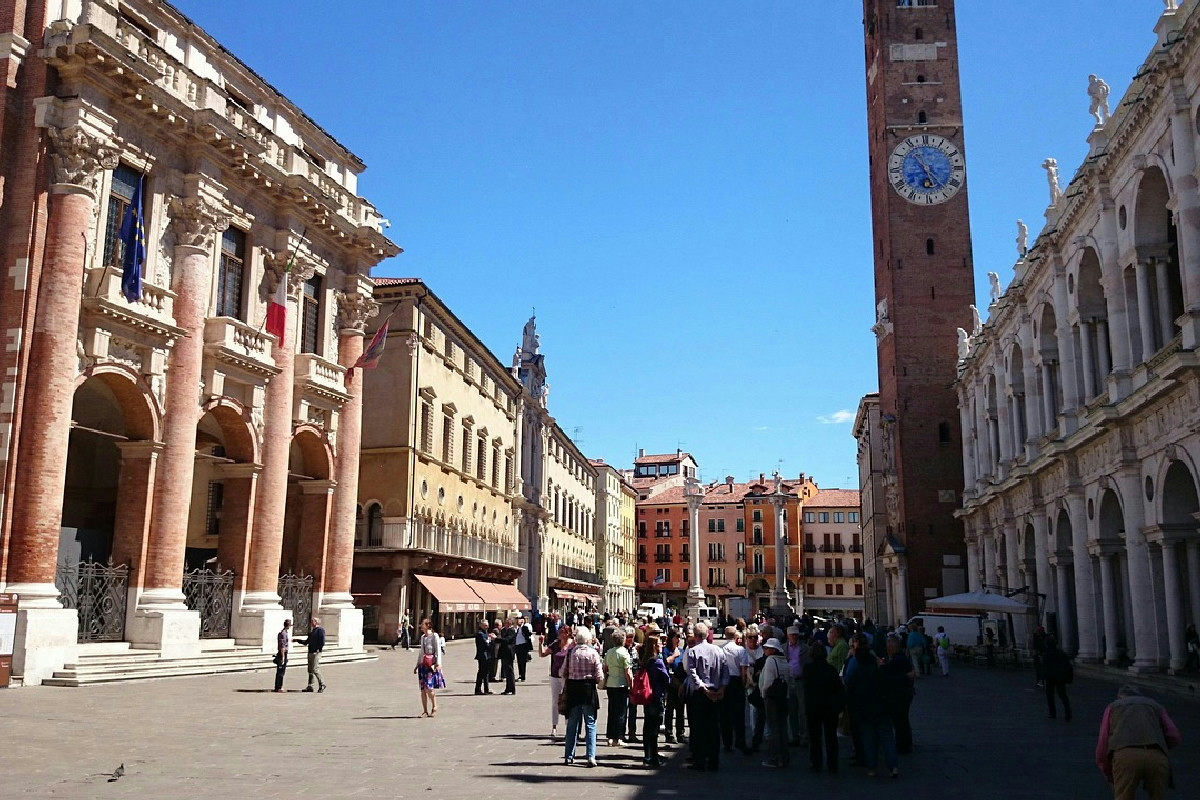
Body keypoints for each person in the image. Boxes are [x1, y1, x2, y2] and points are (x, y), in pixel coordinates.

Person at [1094, 685, 1183, 800]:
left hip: (1125, 755)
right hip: (1156, 755)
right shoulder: (1155, 705)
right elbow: (1174, 736)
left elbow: (1103, 741)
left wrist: (1106, 769)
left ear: (1120, 697)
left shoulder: (1113, 707)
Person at [846, 634, 898, 778]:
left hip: (864, 708)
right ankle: (893, 766)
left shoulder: (856, 672)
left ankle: (871, 768)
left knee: (868, 738)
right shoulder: (878, 670)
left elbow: (850, 688)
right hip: (881, 707)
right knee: (887, 737)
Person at [683, 621, 728, 771]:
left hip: (700, 694)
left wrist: (703, 688)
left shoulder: (692, 651)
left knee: (699, 728)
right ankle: (714, 760)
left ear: (695, 636)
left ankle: (700, 760)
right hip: (716, 692)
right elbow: (725, 671)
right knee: (714, 728)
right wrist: (721, 689)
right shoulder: (718, 650)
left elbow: (692, 673)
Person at [563, 626, 604, 767]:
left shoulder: (571, 653)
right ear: (587, 639)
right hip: (588, 689)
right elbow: (599, 676)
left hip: (573, 688)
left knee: (572, 723)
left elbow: (563, 672)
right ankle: (591, 756)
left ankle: (569, 755)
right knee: (590, 723)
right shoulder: (593, 653)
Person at [804, 643, 843, 773]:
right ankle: (833, 763)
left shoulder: (808, 669)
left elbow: (806, 688)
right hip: (829, 706)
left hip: (814, 706)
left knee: (815, 736)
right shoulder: (831, 669)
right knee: (831, 736)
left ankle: (816, 761)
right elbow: (838, 688)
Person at [879, 634, 916, 755]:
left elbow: (887, 674)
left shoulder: (898, 659)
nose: (887, 646)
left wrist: (881, 666)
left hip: (900, 694)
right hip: (902, 693)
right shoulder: (898, 658)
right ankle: (905, 744)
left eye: (889, 643)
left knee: (900, 720)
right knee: (902, 720)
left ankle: (903, 745)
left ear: (895, 646)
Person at [639, 635, 671, 767]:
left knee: (647, 726)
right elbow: (666, 678)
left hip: (647, 696)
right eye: (659, 643)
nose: (662, 645)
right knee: (654, 728)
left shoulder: (645, 661)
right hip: (657, 696)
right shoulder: (657, 662)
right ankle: (653, 756)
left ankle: (647, 755)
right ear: (654, 646)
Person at [758, 637, 791, 768]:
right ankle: (785, 757)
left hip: (772, 697)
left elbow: (767, 682)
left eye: (767, 648)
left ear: (772, 650)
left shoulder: (770, 660)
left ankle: (774, 758)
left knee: (773, 728)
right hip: (783, 696)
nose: (765, 650)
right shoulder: (784, 660)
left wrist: (763, 693)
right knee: (783, 727)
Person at [603, 624, 634, 747]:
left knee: (611, 711)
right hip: (621, 684)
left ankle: (610, 737)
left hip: (610, 684)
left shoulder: (609, 652)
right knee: (621, 712)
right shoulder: (624, 653)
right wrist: (631, 685)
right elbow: (628, 671)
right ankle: (619, 737)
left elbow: (605, 668)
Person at [541, 623, 573, 739]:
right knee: (555, 701)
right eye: (559, 632)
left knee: (568, 701)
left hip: (568, 676)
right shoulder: (555, 644)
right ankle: (554, 727)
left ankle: (568, 726)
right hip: (555, 676)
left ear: (567, 633)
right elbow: (542, 654)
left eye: (561, 632)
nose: (559, 634)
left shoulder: (572, 645)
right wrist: (540, 643)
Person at [719, 626, 747, 753]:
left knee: (725, 714)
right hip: (736, 681)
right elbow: (743, 670)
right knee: (739, 714)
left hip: (724, 681)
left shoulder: (720, 649)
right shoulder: (740, 650)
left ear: (725, 635)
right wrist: (743, 683)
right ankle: (740, 741)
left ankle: (727, 742)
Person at [414, 618, 445, 717]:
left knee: (429, 687)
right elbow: (421, 652)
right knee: (423, 689)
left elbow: (438, 650)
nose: (421, 626)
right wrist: (417, 664)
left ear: (428, 625)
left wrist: (438, 664)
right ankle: (425, 711)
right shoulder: (423, 637)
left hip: (431, 665)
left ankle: (434, 706)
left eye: (422, 624)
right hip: (423, 665)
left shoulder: (434, 636)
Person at [663, 628, 688, 744]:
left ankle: (680, 733)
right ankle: (669, 733)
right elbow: (664, 664)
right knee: (669, 710)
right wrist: (674, 655)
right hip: (670, 684)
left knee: (680, 711)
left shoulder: (682, 651)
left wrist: (682, 683)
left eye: (679, 638)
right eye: (676, 637)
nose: (678, 640)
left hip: (681, 685)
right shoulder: (666, 650)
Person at [785, 625, 808, 746]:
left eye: (795, 635)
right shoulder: (784, 648)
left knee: (803, 710)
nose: (794, 637)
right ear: (788, 635)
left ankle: (804, 736)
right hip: (789, 680)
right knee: (792, 710)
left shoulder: (804, 648)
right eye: (792, 635)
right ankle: (795, 736)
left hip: (801, 680)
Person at [1043, 635, 1073, 721]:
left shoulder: (1047, 654)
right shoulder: (1061, 653)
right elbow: (1067, 666)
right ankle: (1068, 713)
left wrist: (1044, 676)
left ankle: (1053, 713)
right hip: (1060, 677)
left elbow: (1045, 667)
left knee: (1050, 695)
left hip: (1050, 678)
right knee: (1063, 696)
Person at [295, 617, 326, 693]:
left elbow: (322, 642)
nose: (311, 622)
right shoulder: (312, 631)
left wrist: (318, 648)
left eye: (312, 621)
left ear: (316, 622)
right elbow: (306, 642)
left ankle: (322, 684)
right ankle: (310, 686)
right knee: (310, 670)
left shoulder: (320, 630)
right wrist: (297, 640)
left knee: (315, 669)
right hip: (310, 652)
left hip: (316, 652)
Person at [498, 617, 518, 695]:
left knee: (510, 671)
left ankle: (512, 689)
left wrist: (496, 639)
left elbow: (507, 640)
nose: (505, 623)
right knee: (506, 671)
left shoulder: (512, 630)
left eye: (506, 622)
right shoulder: (503, 630)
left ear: (510, 623)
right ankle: (507, 688)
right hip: (503, 652)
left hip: (509, 652)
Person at [474, 619, 493, 695]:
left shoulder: (486, 632)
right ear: (481, 625)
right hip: (482, 655)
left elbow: (488, 641)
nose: (487, 627)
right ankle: (478, 689)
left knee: (486, 673)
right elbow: (486, 644)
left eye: (487, 625)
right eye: (485, 625)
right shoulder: (480, 634)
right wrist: (490, 640)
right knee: (482, 672)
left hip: (487, 655)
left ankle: (486, 689)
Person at [273, 618, 291, 692]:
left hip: (282, 652)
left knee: (280, 671)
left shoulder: (283, 633)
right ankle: (279, 687)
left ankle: (278, 686)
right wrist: (283, 657)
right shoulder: (283, 634)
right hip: (282, 653)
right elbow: (282, 646)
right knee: (281, 671)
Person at [515, 615, 534, 681]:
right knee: (519, 661)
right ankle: (520, 675)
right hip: (518, 646)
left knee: (523, 662)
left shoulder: (524, 627)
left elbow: (528, 634)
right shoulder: (518, 628)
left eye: (519, 620)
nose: (517, 622)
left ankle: (523, 676)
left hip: (523, 646)